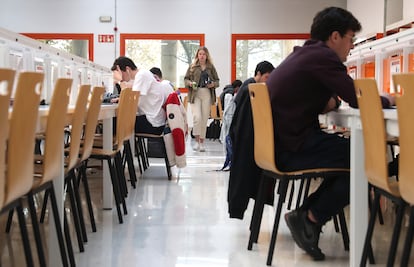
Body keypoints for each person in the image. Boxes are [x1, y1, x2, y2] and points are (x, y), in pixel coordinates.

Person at [266, 7, 395, 261]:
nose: (351, 46)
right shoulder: (322, 57)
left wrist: (334, 101)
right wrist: (389, 99)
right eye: (351, 39)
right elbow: (359, 99)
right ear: (335, 36)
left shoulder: (305, 54)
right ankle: (310, 216)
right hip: (294, 147)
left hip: (284, 144)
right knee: (368, 160)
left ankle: (307, 215)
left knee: (360, 157)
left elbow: (332, 98)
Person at [227, 60, 275, 217]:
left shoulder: (248, 88)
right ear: (258, 74)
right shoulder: (251, 89)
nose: (269, 81)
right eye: (267, 77)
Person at [111, 56, 173, 135]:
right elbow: (134, 97)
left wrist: (120, 81)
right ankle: (126, 147)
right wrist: (121, 98)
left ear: (127, 69)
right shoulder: (141, 75)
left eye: (120, 73)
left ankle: (119, 147)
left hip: (152, 123)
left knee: (113, 124)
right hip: (153, 119)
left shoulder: (141, 75)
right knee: (115, 122)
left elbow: (132, 102)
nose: (121, 76)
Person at [184, 46, 220, 152]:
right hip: (195, 93)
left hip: (207, 94)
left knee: (204, 119)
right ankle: (196, 140)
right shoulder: (192, 67)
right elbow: (185, 79)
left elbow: (217, 81)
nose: (202, 56)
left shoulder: (211, 67)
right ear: (197, 55)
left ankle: (201, 143)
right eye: (200, 54)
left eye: (204, 54)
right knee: (197, 117)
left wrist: (213, 84)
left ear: (207, 55)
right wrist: (190, 83)